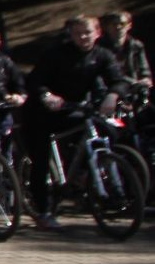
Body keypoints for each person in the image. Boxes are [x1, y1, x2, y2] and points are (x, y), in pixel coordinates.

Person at [25, 15, 128, 229]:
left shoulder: (102, 55)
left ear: (98, 33)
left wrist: (113, 95)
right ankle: (43, 211)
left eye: (88, 32)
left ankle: (86, 176)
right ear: (71, 35)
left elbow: (117, 79)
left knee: (104, 129)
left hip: (76, 108)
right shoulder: (56, 53)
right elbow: (35, 81)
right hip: (43, 112)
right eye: (78, 33)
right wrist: (46, 96)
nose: (83, 37)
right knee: (41, 159)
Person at [100, 11, 151, 93]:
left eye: (122, 24)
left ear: (129, 26)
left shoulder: (136, 45)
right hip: (109, 88)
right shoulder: (100, 47)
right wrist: (132, 82)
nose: (118, 27)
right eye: (114, 24)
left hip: (135, 87)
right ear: (106, 27)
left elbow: (144, 68)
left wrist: (146, 78)